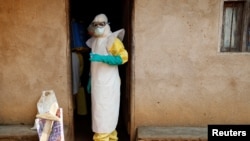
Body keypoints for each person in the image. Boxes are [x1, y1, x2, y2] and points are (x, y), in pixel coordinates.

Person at [86, 13, 128, 141]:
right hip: (97, 82)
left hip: (109, 83)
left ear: (107, 24)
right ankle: (110, 137)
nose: (98, 27)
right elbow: (93, 66)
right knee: (100, 111)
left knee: (106, 111)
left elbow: (123, 57)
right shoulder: (93, 42)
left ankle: (103, 137)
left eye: (101, 24)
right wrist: (90, 79)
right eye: (95, 24)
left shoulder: (112, 40)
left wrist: (103, 58)